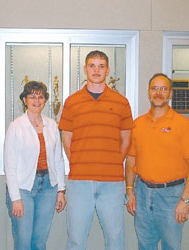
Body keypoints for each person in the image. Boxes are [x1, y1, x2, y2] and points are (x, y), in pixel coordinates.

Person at [59, 50, 134, 250]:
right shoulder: (72, 101)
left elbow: (126, 139)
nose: (96, 70)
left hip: (112, 183)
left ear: (107, 70)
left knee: (115, 238)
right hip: (79, 181)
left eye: (101, 66)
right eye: (92, 65)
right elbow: (67, 137)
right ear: (85, 69)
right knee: (76, 238)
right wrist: (77, 161)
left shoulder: (121, 102)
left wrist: (114, 162)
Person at [125, 73, 189, 250]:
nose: (158, 93)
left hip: (172, 196)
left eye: (163, 89)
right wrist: (130, 191)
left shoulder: (183, 124)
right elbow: (131, 160)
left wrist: (186, 200)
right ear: (148, 92)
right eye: (154, 88)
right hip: (142, 193)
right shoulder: (138, 124)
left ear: (170, 94)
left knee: (171, 246)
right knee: (145, 245)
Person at [4, 81, 66, 250]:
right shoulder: (16, 127)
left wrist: (61, 190)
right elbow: (10, 165)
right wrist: (15, 198)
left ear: (45, 100)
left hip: (48, 187)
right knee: (23, 241)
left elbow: (58, 159)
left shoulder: (52, 125)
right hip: (23, 189)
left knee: (39, 241)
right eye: (32, 96)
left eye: (40, 96)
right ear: (25, 99)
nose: (36, 100)